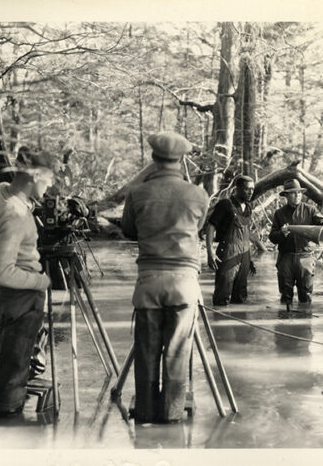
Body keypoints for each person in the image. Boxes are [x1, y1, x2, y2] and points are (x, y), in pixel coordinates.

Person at [121, 131, 209, 424]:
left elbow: (128, 230)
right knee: (177, 353)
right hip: (184, 283)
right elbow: (198, 226)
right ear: (181, 159)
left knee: (146, 354)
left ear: (154, 158)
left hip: (148, 282)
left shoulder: (137, 193)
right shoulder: (197, 194)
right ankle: (171, 418)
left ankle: (145, 416)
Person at [0, 149, 54, 417]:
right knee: (12, 381)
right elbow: (2, 272)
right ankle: (8, 427)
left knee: (13, 365)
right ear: (34, 176)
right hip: (20, 299)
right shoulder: (16, 216)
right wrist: (41, 281)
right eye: (47, 180)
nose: (50, 186)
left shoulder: (0, 191)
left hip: (3, 298)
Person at [269, 179, 323, 305]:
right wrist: (282, 233)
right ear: (286, 195)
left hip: (306, 258)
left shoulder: (310, 210)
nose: (297, 196)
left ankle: (305, 323)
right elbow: (272, 237)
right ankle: (284, 322)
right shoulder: (279, 214)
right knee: (285, 296)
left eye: (299, 193)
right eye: (293, 193)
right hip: (285, 258)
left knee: (305, 296)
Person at [206, 175, 255, 306]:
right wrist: (210, 252)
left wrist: (249, 258)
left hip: (244, 254)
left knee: (240, 296)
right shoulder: (225, 204)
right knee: (222, 295)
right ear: (237, 189)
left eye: (252, 189)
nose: (250, 192)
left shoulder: (249, 207)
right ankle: (219, 322)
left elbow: (246, 233)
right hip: (228, 252)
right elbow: (211, 226)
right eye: (247, 189)